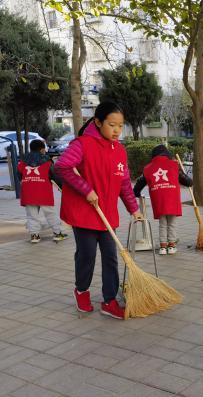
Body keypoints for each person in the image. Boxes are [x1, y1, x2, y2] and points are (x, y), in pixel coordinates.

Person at [55, 102, 142, 320]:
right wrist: (86, 190)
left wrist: (134, 209)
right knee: (87, 255)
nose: (116, 131)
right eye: (112, 125)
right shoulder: (83, 144)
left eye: (120, 126)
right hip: (84, 213)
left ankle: (109, 300)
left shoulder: (119, 150)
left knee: (111, 257)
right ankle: (81, 291)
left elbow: (123, 183)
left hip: (106, 214)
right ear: (98, 122)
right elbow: (62, 166)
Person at [133, 144, 192, 255]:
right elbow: (188, 182)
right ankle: (172, 245)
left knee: (163, 223)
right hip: (172, 199)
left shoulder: (148, 168)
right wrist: (181, 170)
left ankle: (163, 247)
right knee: (172, 223)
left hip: (158, 200)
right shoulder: (173, 165)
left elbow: (140, 183)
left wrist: (136, 193)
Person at [17, 139, 67, 243]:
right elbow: (55, 176)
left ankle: (34, 236)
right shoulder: (47, 161)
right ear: (42, 149)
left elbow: (19, 176)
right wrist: (63, 188)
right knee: (50, 213)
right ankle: (58, 233)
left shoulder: (22, 161)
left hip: (28, 192)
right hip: (43, 191)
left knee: (31, 215)